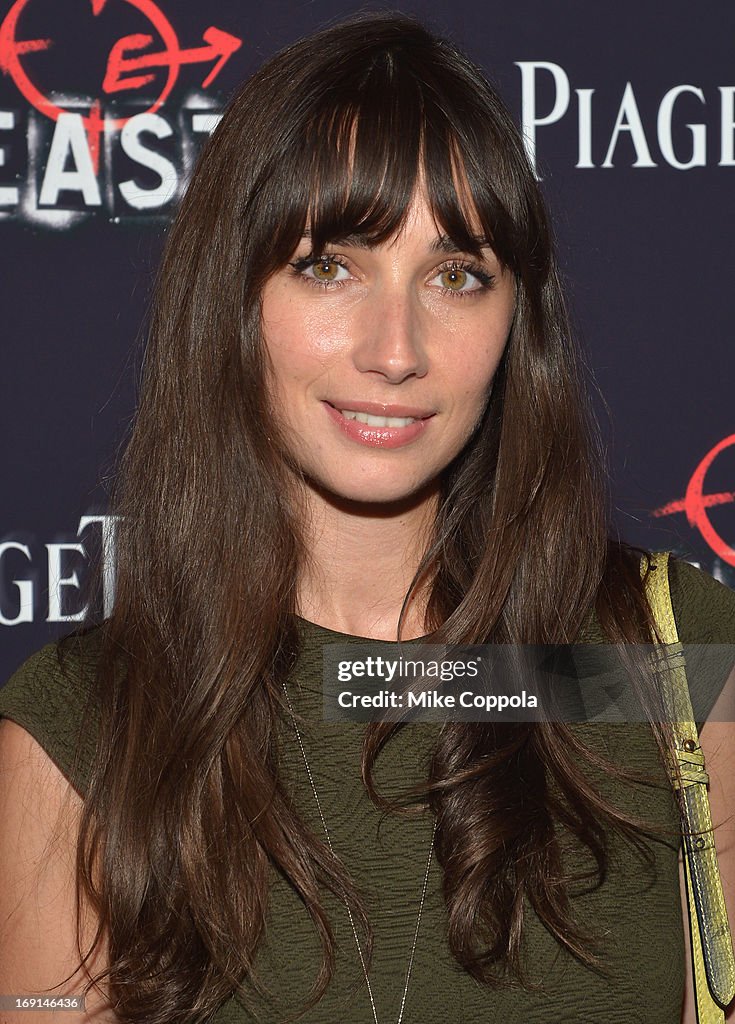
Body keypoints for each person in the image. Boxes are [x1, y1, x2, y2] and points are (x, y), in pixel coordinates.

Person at [1, 11, 734, 1024]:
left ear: (517, 321)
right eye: (330, 264)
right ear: (232, 298)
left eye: (457, 275)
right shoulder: (89, 726)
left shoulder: (661, 659)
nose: (397, 349)